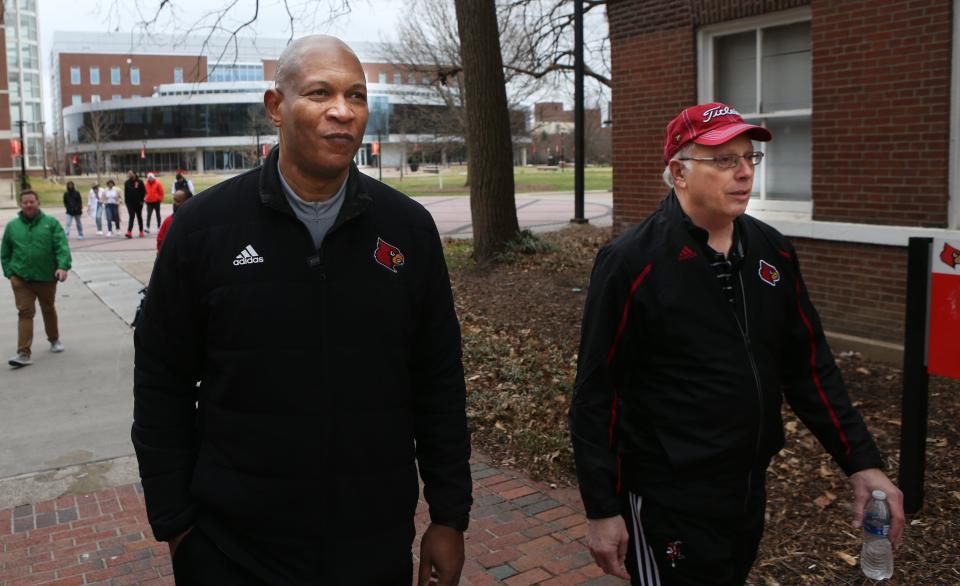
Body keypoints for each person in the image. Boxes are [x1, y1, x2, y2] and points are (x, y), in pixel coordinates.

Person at [132, 35, 471, 585]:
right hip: (232, 550)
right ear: (276, 107)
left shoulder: (407, 230)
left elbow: (438, 380)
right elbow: (160, 382)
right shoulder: (203, 230)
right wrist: (177, 527)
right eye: (320, 93)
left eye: (356, 96)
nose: (343, 112)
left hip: (372, 545)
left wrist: (449, 516)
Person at [570, 102, 905, 586]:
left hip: (747, 486)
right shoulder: (631, 263)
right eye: (724, 159)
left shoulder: (772, 252)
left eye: (749, 158)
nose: (745, 172)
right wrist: (602, 507)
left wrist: (861, 461)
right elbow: (595, 395)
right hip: (669, 495)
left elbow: (809, 368)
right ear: (679, 172)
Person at [1, 190, 71, 368]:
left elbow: (61, 246)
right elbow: (5, 253)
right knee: (25, 312)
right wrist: (10, 273)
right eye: (25, 202)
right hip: (21, 279)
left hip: (46, 277)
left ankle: (54, 339)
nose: (29, 205)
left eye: (32, 201)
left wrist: (62, 266)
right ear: (20, 204)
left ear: (38, 203)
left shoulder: (51, 224)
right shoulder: (12, 227)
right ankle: (23, 353)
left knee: (48, 308)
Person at [124, 170, 147, 239]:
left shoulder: (139, 181)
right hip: (130, 203)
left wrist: (142, 200)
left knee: (139, 217)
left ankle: (141, 231)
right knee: (131, 216)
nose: (129, 175)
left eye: (130, 173)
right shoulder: (127, 182)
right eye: (128, 173)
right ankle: (129, 232)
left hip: (138, 203)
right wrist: (126, 202)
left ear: (134, 174)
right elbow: (126, 193)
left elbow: (143, 191)